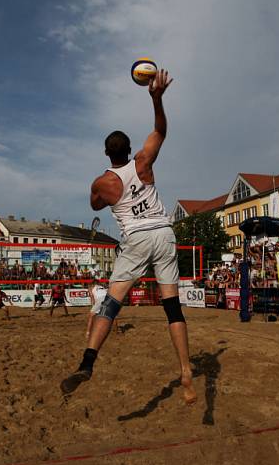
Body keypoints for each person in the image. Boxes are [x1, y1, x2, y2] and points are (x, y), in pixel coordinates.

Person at [61, 68, 197, 405]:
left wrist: (106, 197)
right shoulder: (144, 161)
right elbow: (161, 130)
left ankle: (87, 363)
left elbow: (94, 206)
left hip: (136, 239)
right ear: (131, 148)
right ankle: (185, 371)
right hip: (163, 234)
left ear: (107, 154)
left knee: (110, 304)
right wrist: (157, 98)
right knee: (173, 309)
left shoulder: (102, 182)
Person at [86, 277, 119, 343]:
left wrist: (93, 307)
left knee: (91, 316)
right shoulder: (102, 287)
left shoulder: (91, 288)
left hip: (100, 299)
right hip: (108, 298)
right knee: (112, 315)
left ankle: (88, 333)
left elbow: (93, 299)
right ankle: (117, 330)